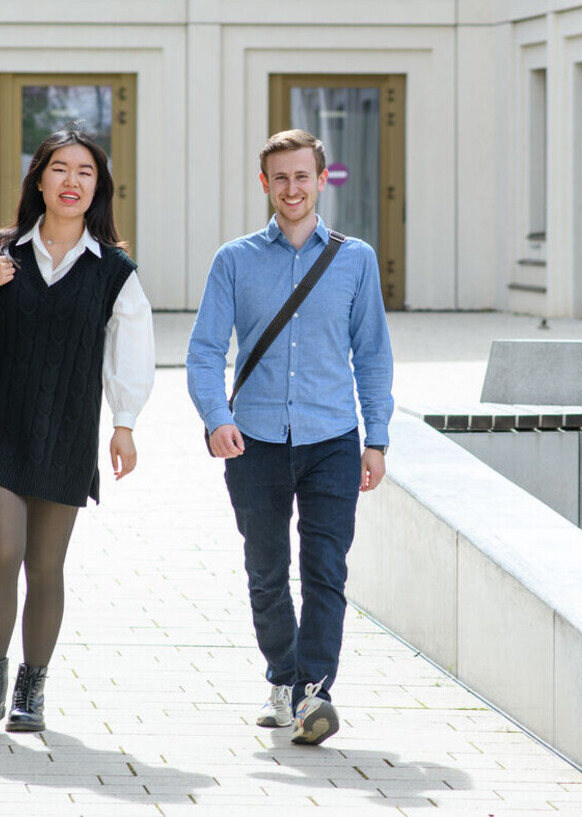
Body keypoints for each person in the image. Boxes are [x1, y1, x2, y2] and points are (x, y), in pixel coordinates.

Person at [0, 129, 154, 732]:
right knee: (2, 552)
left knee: (46, 564)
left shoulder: (115, 272)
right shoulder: (3, 251)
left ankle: (31, 691)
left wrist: (125, 424)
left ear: (98, 189)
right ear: (40, 179)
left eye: (85, 172)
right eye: (59, 169)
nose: (71, 181)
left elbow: (131, 354)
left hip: (67, 432)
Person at [186, 129, 395, 746]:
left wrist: (376, 439)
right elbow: (203, 352)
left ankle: (313, 694)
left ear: (321, 179)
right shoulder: (235, 260)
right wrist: (216, 417)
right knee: (266, 570)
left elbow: (373, 355)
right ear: (265, 185)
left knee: (326, 570)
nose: (292, 189)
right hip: (254, 442)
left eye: (302, 176)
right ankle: (283, 675)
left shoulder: (355, 259)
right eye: (280, 178)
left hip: (332, 438)